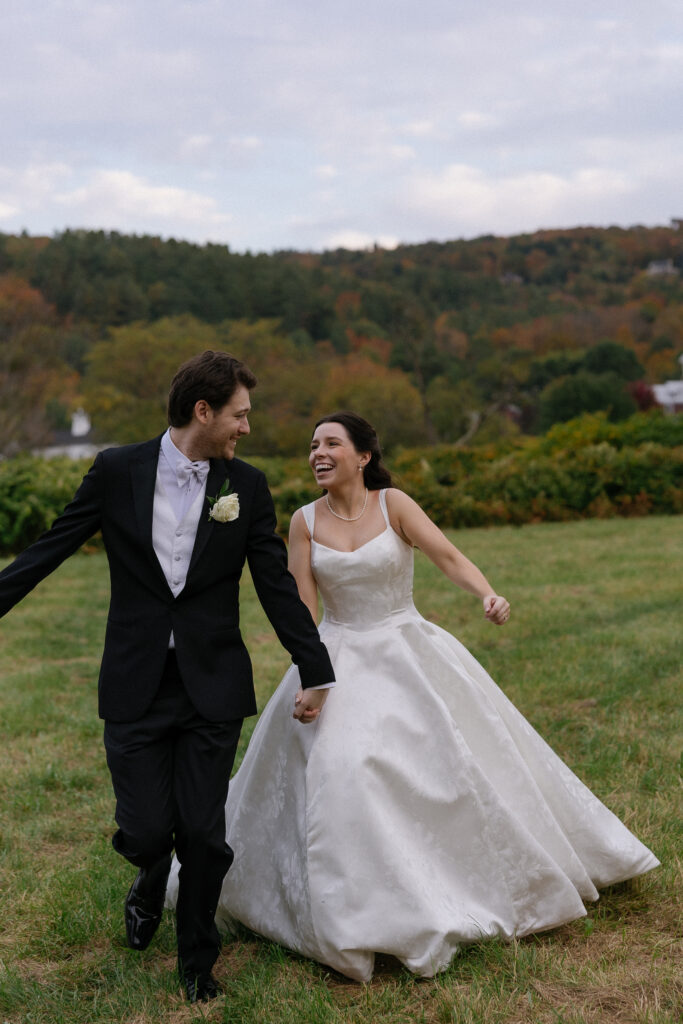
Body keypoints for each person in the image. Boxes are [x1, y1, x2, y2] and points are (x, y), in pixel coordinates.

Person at [180, 410, 659, 983]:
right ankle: (355, 913)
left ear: (362, 456)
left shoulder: (394, 504)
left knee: (453, 764)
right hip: (337, 655)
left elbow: (448, 556)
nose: (318, 453)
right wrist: (311, 673)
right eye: (313, 446)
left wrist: (487, 594)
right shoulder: (304, 522)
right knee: (344, 766)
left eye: (332, 443)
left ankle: (454, 883)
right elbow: (303, 607)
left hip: (407, 648)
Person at [0, 351, 334, 1002]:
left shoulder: (248, 486)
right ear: (202, 411)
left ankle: (196, 963)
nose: (246, 427)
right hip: (135, 680)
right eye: (238, 415)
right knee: (149, 828)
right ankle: (151, 871)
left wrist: (314, 666)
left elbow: (274, 585)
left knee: (206, 834)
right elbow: (50, 547)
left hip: (212, 683)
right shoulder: (116, 470)